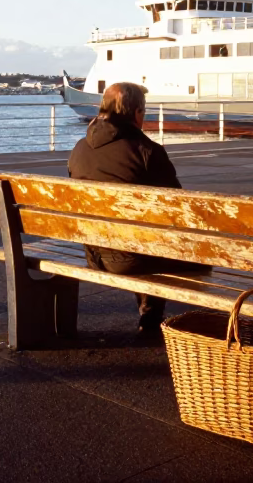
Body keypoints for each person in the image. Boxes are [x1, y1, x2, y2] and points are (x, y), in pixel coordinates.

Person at [67, 82, 210, 336]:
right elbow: (179, 208)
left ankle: (149, 310)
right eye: (144, 111)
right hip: (133, 258)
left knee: (138, 235)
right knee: (179, 246)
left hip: (93, 253)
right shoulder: (147, 152)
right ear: (136, 113)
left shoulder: (79, 149)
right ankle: (151, 312)